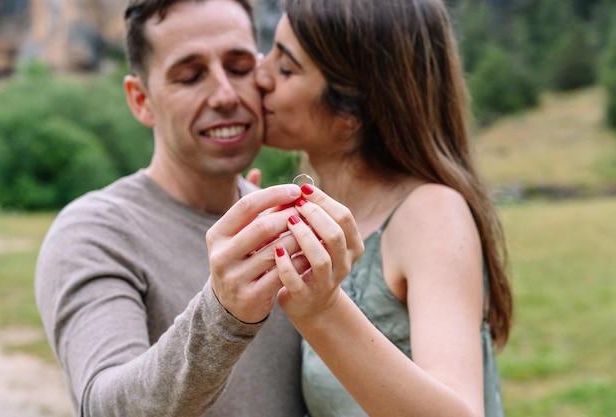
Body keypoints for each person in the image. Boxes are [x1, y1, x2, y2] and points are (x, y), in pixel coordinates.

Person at [34, 0, 353, 415]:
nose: (225, 95)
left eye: (239, 68)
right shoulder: (94, 231)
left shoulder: (292, 224)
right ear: (141, 100)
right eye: (189, 76)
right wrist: (224, 315)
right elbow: (103, 404)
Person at [256, 0, 514, 416]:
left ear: (351, 112)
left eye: (285, 68)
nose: (259, 75)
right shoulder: (315, 209)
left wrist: (323, 312)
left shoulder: (430, 214)